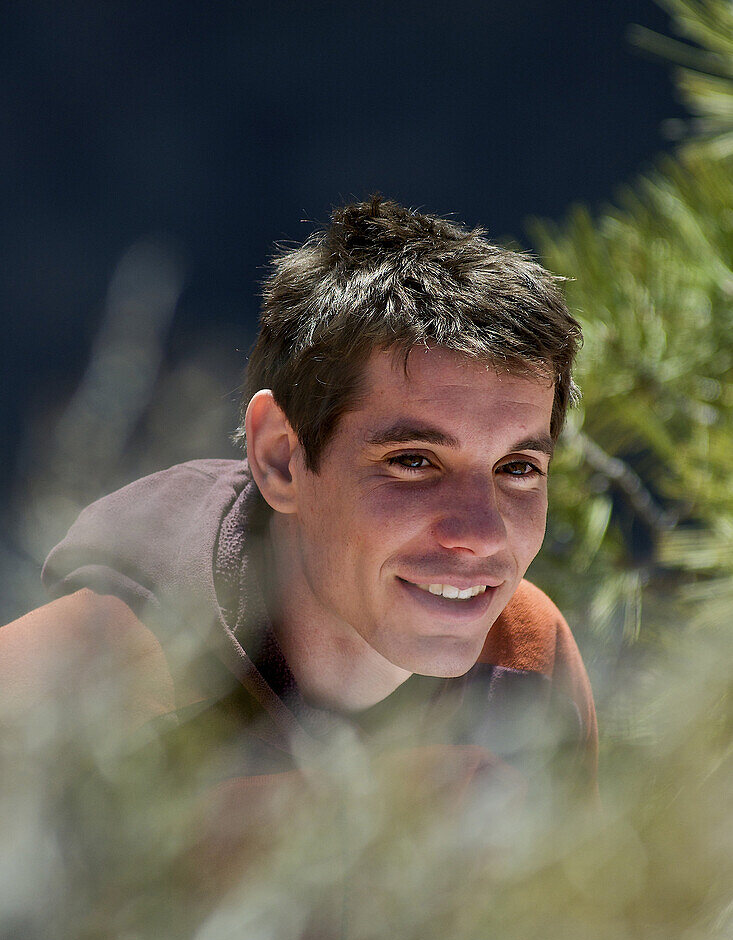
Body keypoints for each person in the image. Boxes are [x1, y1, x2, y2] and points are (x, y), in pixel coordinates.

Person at [0, 196, 597, 814]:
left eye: (518, 469)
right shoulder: (84, 683)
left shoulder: (523, 656)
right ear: (281, 458)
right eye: (413, 462)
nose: (480, 533)